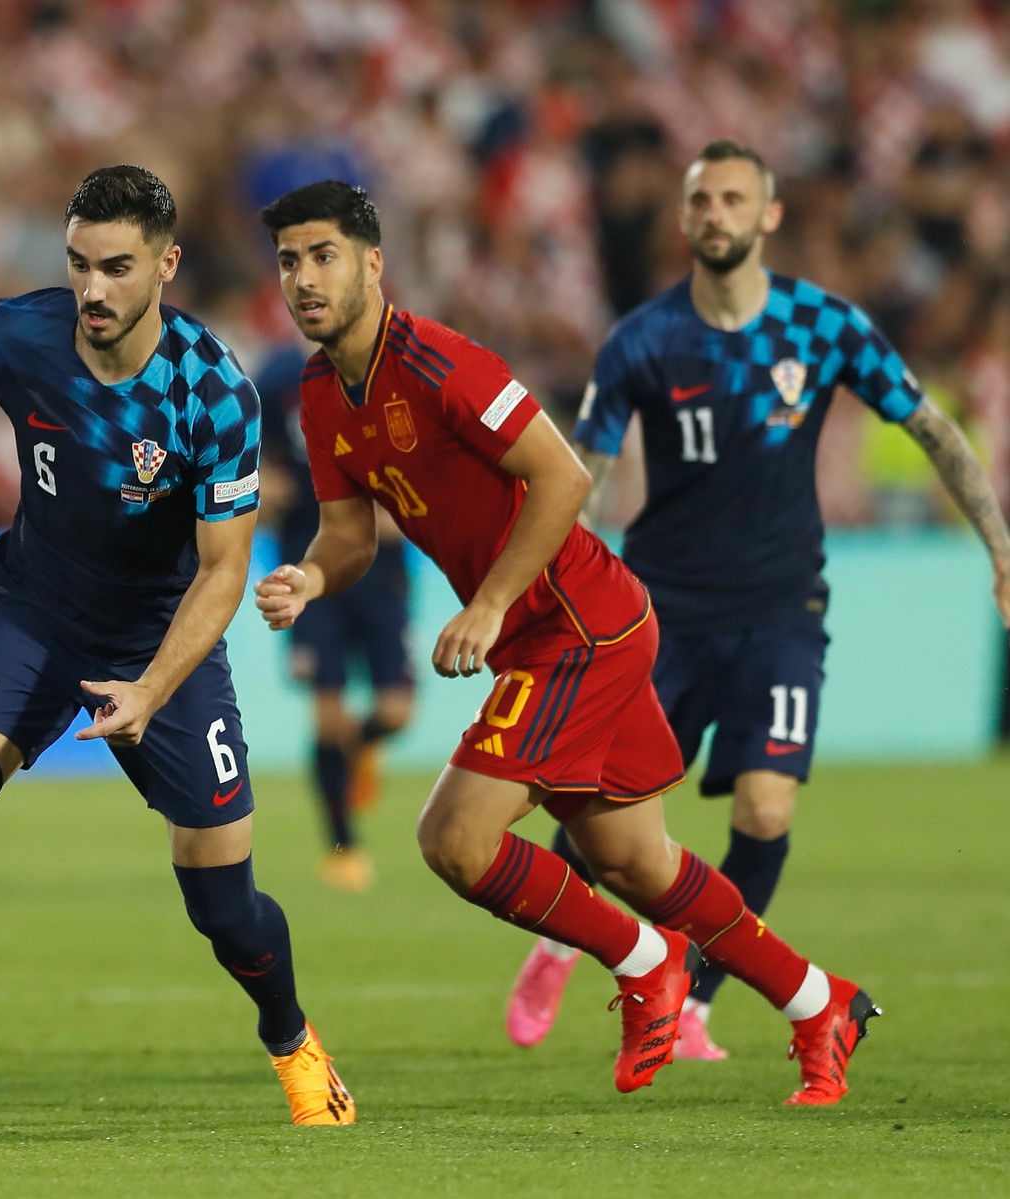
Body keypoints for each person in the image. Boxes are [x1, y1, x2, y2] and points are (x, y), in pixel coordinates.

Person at [253, 179, 877, 1105]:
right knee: (636, 862)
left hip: (578, 625)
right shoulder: (318, 391)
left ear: (373, 264)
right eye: (290, 261)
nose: (305, 278)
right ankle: (820, 1000)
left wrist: (493, 602)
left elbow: (564, 476)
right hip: (561, 631)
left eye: (324, 255)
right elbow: (349, 538)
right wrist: (308, 576)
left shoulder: (442, 365)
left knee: (456, 839)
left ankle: (642, 957)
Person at [0, 166, 353, 1126]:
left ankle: (294, 1042)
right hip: (33, 616)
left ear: (166, 265)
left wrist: (150, 686)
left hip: (160, 643)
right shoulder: (16, 334)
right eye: (78, 264)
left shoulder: (213, 391)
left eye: (116, 267)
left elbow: (224, 571)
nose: (91, 289)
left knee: (224, 908)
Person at [504, 140, 1010, 1060]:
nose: (717, 215)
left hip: (782, 610)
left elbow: (930, 427)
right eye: (702, 201)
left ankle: (693, 998)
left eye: (736, 199)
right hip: (661, 613)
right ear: (686, 218)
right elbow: (586, 476)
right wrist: (549, 594)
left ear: (769, 215)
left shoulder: (823, 327)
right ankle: (556, 945)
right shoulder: (643, 340)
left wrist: (1000, 545)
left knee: (767, 812)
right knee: (605, 815)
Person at [255, 342, 415, 891]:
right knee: (326, 714)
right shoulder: (278, 377)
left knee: (395, 711)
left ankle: (359, 746)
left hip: (382, 570)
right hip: (308, 565)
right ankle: (343, 845)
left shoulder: (392, 373)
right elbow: (262, 467)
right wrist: (263, 490)